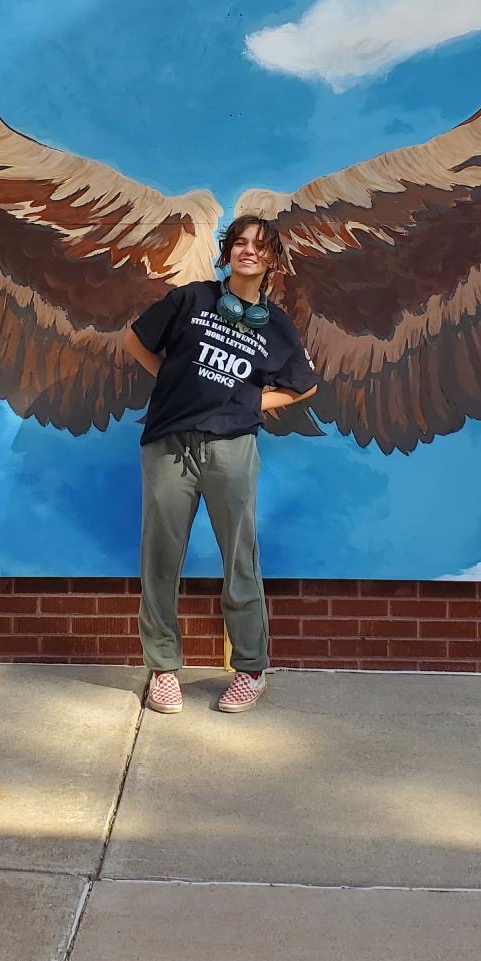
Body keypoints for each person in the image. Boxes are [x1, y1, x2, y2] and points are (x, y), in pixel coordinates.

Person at [124, 216, 320, 714]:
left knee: (240, 559)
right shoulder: (190, 299)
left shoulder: (276, 327)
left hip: (232, 448)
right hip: (169, 444)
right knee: (161, 558)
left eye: (259, 246)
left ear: (272, 260)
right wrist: (171, 380)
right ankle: (163, 669)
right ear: (227, 252)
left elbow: (305, 385)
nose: (248, 251)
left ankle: (250, 669)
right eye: (240, 243)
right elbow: (135, 342)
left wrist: (254, 403)